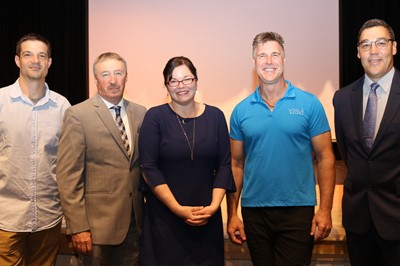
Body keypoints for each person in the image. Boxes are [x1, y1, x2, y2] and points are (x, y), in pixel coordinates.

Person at [227, 31, 336, 266]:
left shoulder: (310, 104)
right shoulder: (241, 111)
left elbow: (326, 157)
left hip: (298, 211)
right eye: (262, 56)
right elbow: (236, 164)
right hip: (255, 212)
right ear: (253, 62)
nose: (269, 61)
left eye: (275, 55)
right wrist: (232, 214)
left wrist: (325, 210)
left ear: (284, 59)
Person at [138, 56, 236, 265]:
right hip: (164, 221)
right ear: (166, 85)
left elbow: (224, 166)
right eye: (173, 81)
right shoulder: (155, 117)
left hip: (206, 220)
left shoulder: (216, 116)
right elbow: (149, 168)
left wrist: (213, 206)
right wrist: (177, 209)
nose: (181, 86)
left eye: (187, 79)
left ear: (196, 81)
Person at [56, 52, 146, 265]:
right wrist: (78, 227)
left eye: (118, 73)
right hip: (95, 230)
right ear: (95, 79)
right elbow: (68, 176)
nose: (113, 80)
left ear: (126, 77)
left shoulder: (141, 113)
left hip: (134, 225)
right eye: (105, 74)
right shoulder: (78, 115)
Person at [333, 18, 400, 266]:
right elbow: (348, 153)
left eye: (380, 43)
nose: (373, 51)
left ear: (394, 47)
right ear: (357, 52)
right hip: (358, 220)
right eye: (366, 44)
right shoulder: (342, 98)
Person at [0, 33, 71, 265]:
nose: (35, 60)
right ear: (17, 60)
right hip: (6, 217)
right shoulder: (0, 101)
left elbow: (66, 164)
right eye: (28, 54)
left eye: (42, 55)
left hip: (48, 217)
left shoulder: (62, 107)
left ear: (49, 62)